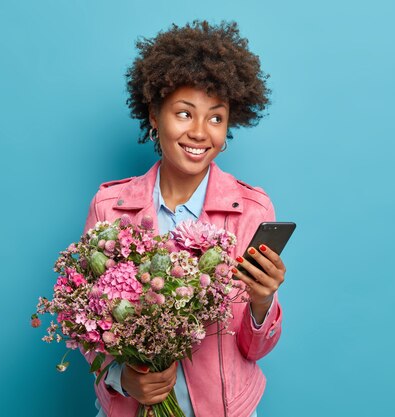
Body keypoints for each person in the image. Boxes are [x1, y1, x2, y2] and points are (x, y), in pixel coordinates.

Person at [83, 20, 286, 417]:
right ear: (155, 116)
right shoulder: (110, 207)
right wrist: (122, 378)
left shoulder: (252, 210)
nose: (199, 132)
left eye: (215, 118)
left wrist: (263, 301)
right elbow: (92, 326)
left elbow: (254, 348)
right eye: (183, 113)